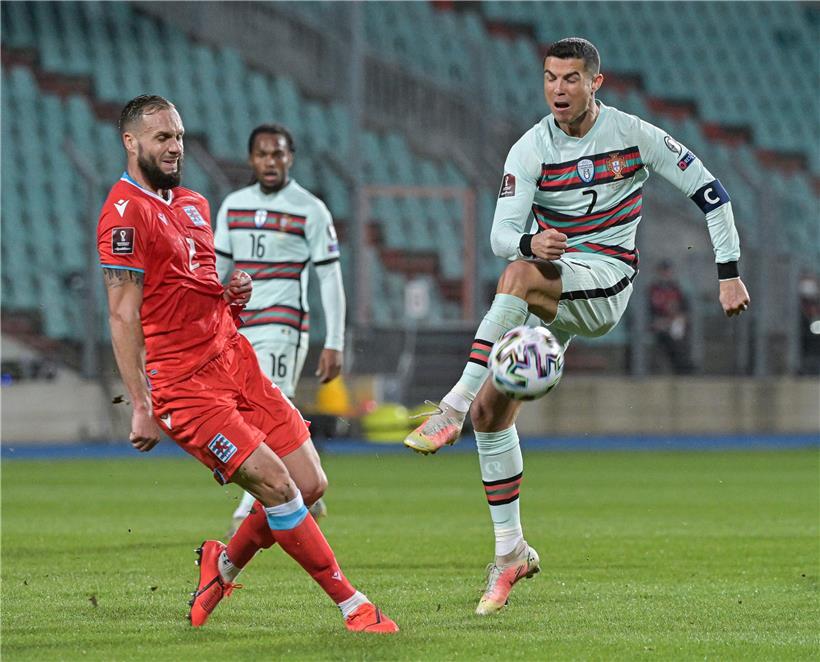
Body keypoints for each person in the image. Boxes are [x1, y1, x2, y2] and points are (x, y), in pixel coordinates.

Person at [404, 38, 750, 616]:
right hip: (555, 284)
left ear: (595, 83)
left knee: (517, 278)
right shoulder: (530, 149)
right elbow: (500, 235)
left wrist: (729, 273)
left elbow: (712, 193)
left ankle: (450, 406)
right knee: (493, 415)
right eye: (549, 78)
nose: (558, 90)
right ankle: (511, 552)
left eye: (570, 79)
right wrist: (530, 241)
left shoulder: (633, 136)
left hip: (607, 281)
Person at [97, 95, 397, 633]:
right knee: (278, 486)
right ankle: (353, 605)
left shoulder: (192, 203)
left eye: (179, 136)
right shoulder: (124, 214)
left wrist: (229, 296)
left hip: (233, 358)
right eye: (162, 137)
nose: (175, 147)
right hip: (185, 386)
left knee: (310, 483)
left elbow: (190, 289)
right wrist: (140, 403)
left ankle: (221, 568)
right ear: (131, 142)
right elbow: (122, 314)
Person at [214, 124, 345, 533]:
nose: (270, 161)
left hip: (284, 323)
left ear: (290, 157)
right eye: (263, 154)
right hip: (239, 327)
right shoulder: (233, 206)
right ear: (251, 159)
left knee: (272, 405)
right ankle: (304, 488)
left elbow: (329, 276)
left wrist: (335, 340)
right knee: (243, 411)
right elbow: (216, 270)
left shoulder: (310, 209)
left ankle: (251, 505)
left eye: (278, 153)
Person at [648, 260, 694, 374]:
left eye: (667, 271)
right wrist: (657, 322)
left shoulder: (676, 289)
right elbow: (647, 312)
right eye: (663, 271)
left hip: (673, 322)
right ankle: (681, 366)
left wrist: (677, 318)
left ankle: (683, 366)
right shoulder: (653, 290)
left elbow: (685, 311)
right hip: (658, 323)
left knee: (677, 332)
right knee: (667, 335)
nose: (665, 274)